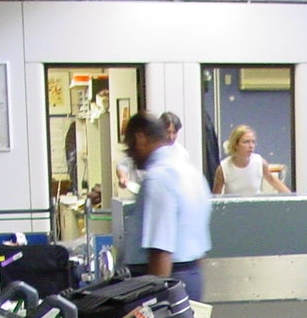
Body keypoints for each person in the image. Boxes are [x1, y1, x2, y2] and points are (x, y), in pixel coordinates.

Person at [123, 112, 212, 302]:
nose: (129, 154)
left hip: (163, 282)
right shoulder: (192, 173)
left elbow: (160, 250)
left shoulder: (158, 178)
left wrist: (153, 304)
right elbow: (199, 250)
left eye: (129, 146)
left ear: (140, 138)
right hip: (193, 277)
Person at [213, 125, 292, 195]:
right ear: (236, 144)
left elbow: (273, 181)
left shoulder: (260, 162)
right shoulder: (223, 168)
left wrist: (292, 198)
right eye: (246, 142)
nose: (251, 146)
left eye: (253, 142)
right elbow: (216, 197)